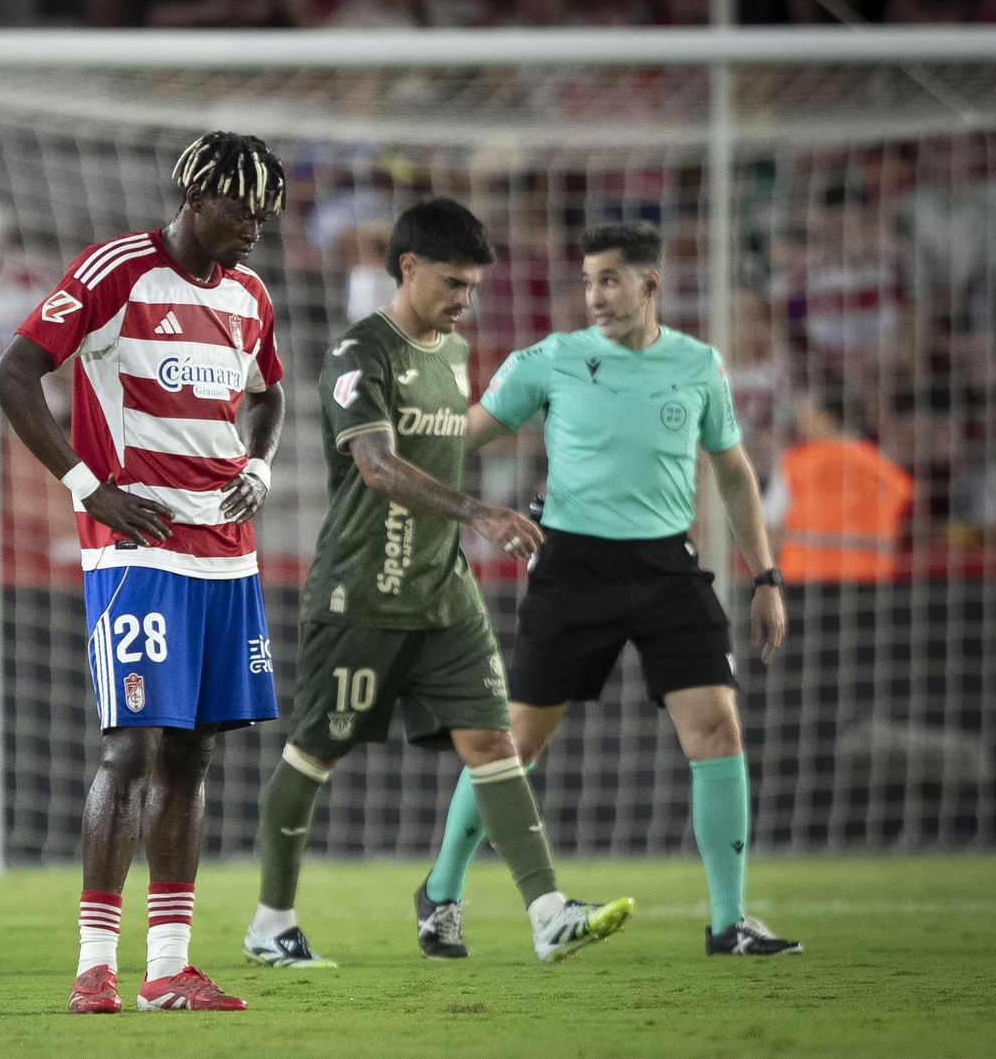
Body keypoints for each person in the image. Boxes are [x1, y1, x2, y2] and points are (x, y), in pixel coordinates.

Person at [242, 199, 633, 971]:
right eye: (453, 283)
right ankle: (270, 922)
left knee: (493, 740)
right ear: (409, 266)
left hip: (443, 590)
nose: (465, 300)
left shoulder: (453, 352)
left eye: (473, 287)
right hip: (363, 590)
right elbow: (376, 466)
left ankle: (547, 913)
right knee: (317, 748)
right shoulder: (360, 354)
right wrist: (477, 511)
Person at [419, 220, 801, 958]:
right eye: (588, 281)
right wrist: (393, 448)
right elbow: (462, 434)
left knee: (718, 730)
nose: (594, 295)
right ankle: (440, 894)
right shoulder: (550, 359)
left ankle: (729, 922)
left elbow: (732, 470)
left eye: (610, 279)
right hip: (572, 566)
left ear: (650, 282)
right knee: (514, 743)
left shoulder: (698, 364)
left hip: (668, 570)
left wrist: (766, 575)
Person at [0, 131, 288, 1014]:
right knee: (131, 747)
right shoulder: (116, 271)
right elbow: (12, 376)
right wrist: (90, 487)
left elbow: (269, 391)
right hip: (137, 548)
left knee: (194, 752)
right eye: (243, 210)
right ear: (195, 198)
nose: (256, 229)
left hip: (225, 551)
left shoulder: (251, 295)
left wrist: (260, 465)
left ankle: (168, 967)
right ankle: (94, 967)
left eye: (265, 216)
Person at [764, 385, 914, 583]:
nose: (798, 421)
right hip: (870, 579)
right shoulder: (886, 469)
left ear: (827, 418)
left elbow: (768, 526)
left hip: (804, 579)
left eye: (805, 412)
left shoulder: (794, 462)